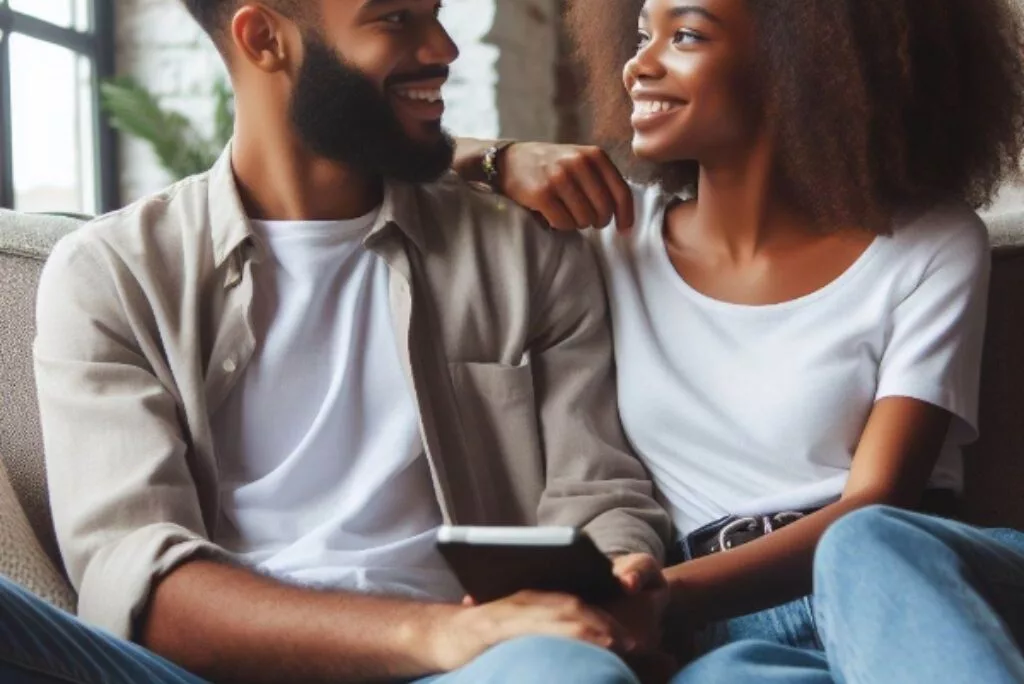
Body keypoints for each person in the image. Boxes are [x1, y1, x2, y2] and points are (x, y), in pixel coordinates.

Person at [0, 0, 677, 682]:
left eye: (436, 13)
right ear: (265, 39)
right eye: (396, 19)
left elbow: (597, 492)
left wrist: (617, 574)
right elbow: (136, 575)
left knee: (571, 675)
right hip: (207, 670)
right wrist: (442, 632)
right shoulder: (114, 273)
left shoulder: (523, 250)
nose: (443, 47)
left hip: (484, 668)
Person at [457, 0, 1024, 681]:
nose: (638, 66)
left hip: (903, 580)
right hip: (725, 625)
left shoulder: (928, 243)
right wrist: (497, 158)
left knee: (863, 542)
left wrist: (663, 594)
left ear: (803, 64)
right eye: (641, 37)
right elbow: (350, 175)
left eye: (687, 36)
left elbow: (879, 500)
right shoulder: (613, 239)